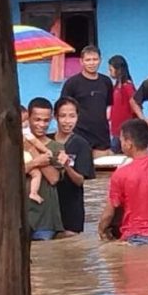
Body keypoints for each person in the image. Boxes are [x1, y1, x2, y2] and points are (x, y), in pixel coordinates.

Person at [59, 45, 113, 157]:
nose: (92, 63)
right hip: (79, 134)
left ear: (100, 60)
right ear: (81, 62)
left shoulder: (106, 82)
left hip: (101, 136)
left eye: (95, 59)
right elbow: (62, 110)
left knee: (100, 171)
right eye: (88, 60)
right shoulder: (72, 83)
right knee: (79, 171)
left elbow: (108, 106)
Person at [50, 97, 94, 234]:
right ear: (55, 117)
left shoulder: (82, 145)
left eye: (72, 116)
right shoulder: (46, 141)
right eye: (62, 116)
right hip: (49, 209)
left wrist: (67, 166)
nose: (67, 121)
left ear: (77, 117)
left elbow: (80, 180)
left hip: (71, 209)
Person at [24, 98, 65, 241]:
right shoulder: (14, 144)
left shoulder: (56, 148)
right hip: (18, 215)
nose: (42, 125)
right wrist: (34, 162)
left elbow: (54, 179)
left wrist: (33, 151)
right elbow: (6, 177)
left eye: (46, 121)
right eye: (37, 120)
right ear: (28, 118)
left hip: (45, 218)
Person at [21, 105, 53, 204]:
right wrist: (45, 150)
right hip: (26, 157)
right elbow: (35, 142)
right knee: (37, 174)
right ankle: (34, 192)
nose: (25, 123)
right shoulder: (25, 133)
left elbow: (54, 179)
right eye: (24, 121)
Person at [107, 55, 135, 154]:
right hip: (115, 129)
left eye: (111, 70)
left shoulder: (127, 86)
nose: (109, 72)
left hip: (124, 131)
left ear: (118, 70)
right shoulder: (116, 87)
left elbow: (134, 106)